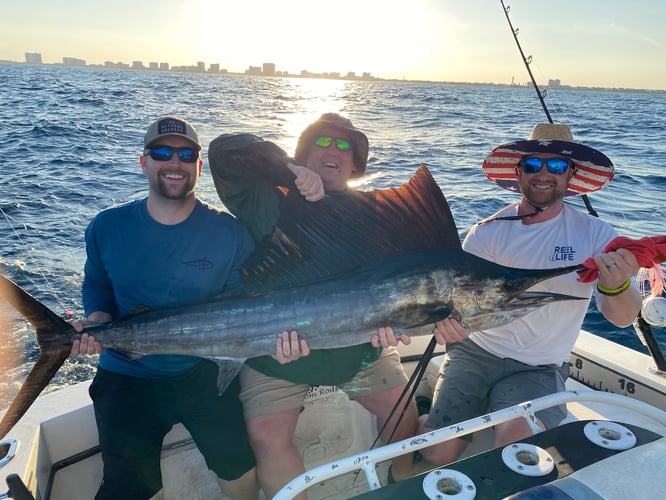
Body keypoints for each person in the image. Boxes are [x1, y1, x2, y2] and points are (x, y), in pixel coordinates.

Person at [208, 113, 418, 498]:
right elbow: (222, 152)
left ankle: (403, 483)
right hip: (275, 350)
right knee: (267, 438)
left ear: (356, 165)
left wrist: (396, 319)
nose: (333, 150)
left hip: (358, 351)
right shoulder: (270, 198)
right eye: (322, 142)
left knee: (405, 412)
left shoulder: (375, 216)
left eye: (344, 146)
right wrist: (286, 172)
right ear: (303, 155)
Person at [414, 123, 642, 466]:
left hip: (539, 367)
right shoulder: (485, 234)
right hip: (476, 351)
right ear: (519, 173)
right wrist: (450, 326)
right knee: (436, 454)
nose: (544, 174)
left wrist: (617, 283)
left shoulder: (597, 235)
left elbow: (622, 318)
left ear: (571, 176)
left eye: (557, 166)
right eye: (534, 165)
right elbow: (458, 304)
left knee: (518, 455)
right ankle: (426, 419)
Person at [69, 116, 271, 500]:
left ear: (198, 165)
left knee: (239, 468)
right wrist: (97, 320)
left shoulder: (230, 233)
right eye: (162, 152)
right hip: (126, 373)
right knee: (126, 488)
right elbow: (97, 283)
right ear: (144, 162)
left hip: (201, 370)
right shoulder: (106, 226)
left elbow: (240, 306)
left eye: (186, 153)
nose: (174, 162)